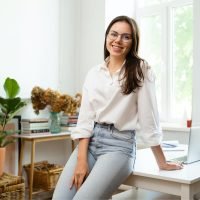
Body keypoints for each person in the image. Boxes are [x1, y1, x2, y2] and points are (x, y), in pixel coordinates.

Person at [52, 15, 183, 200]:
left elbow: (149, 119)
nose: (118, 40)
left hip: (119, 146)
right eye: (113, 34)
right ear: (106, 37)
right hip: (89, 143)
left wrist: (161, 161)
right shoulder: (94, 73)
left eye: (126, 36)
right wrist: (81, 161)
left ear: (133, 42)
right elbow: (85, 120)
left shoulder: (141, 70)